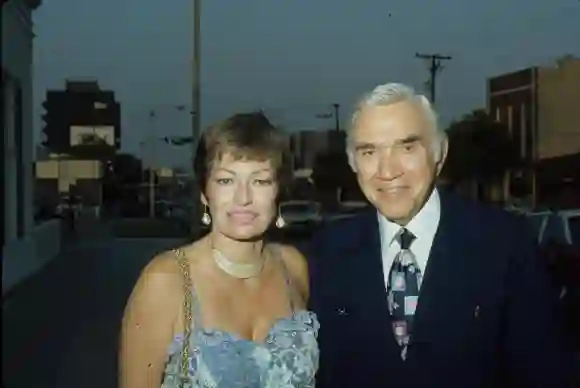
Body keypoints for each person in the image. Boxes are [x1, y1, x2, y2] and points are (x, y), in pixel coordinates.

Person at [307, 83, 576, 387]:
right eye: (369, 151)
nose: (387, 170)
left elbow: (547, 371)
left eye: (407, 147)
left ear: (440, 153)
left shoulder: (504, 244)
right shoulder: (328, 251)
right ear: (354, 163)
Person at [119, 112, 319, 388]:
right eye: (226, 181)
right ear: (204, 192)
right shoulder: (166, 281)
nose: (243, 198)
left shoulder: (293, 267)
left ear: (278, 191)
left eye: (260, 181)